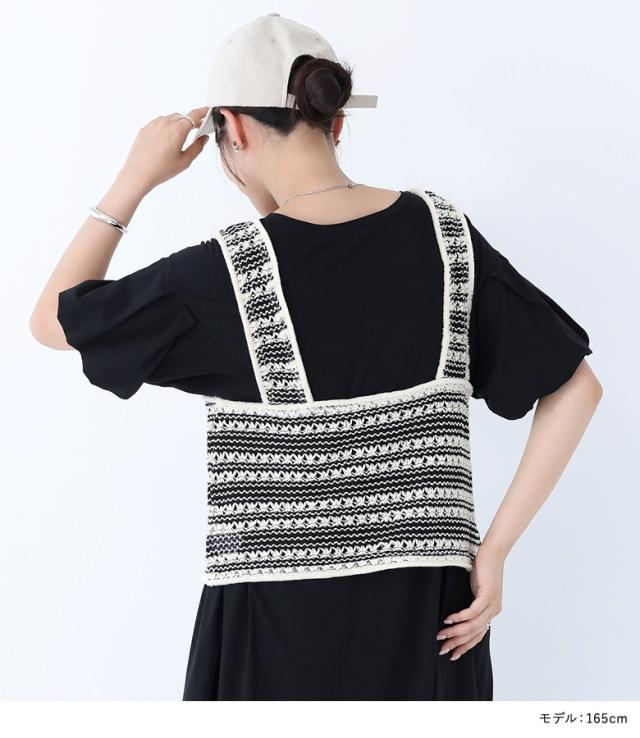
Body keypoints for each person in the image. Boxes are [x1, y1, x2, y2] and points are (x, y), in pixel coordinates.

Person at [29, 13, 602, 701]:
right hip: (433, 623)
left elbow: (53, 321)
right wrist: (495, 550)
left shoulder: (225, 275)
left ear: (232, 130)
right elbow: (576, 388)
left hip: (275, 635)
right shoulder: (446, 237)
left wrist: (134, 179)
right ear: (337, 122)